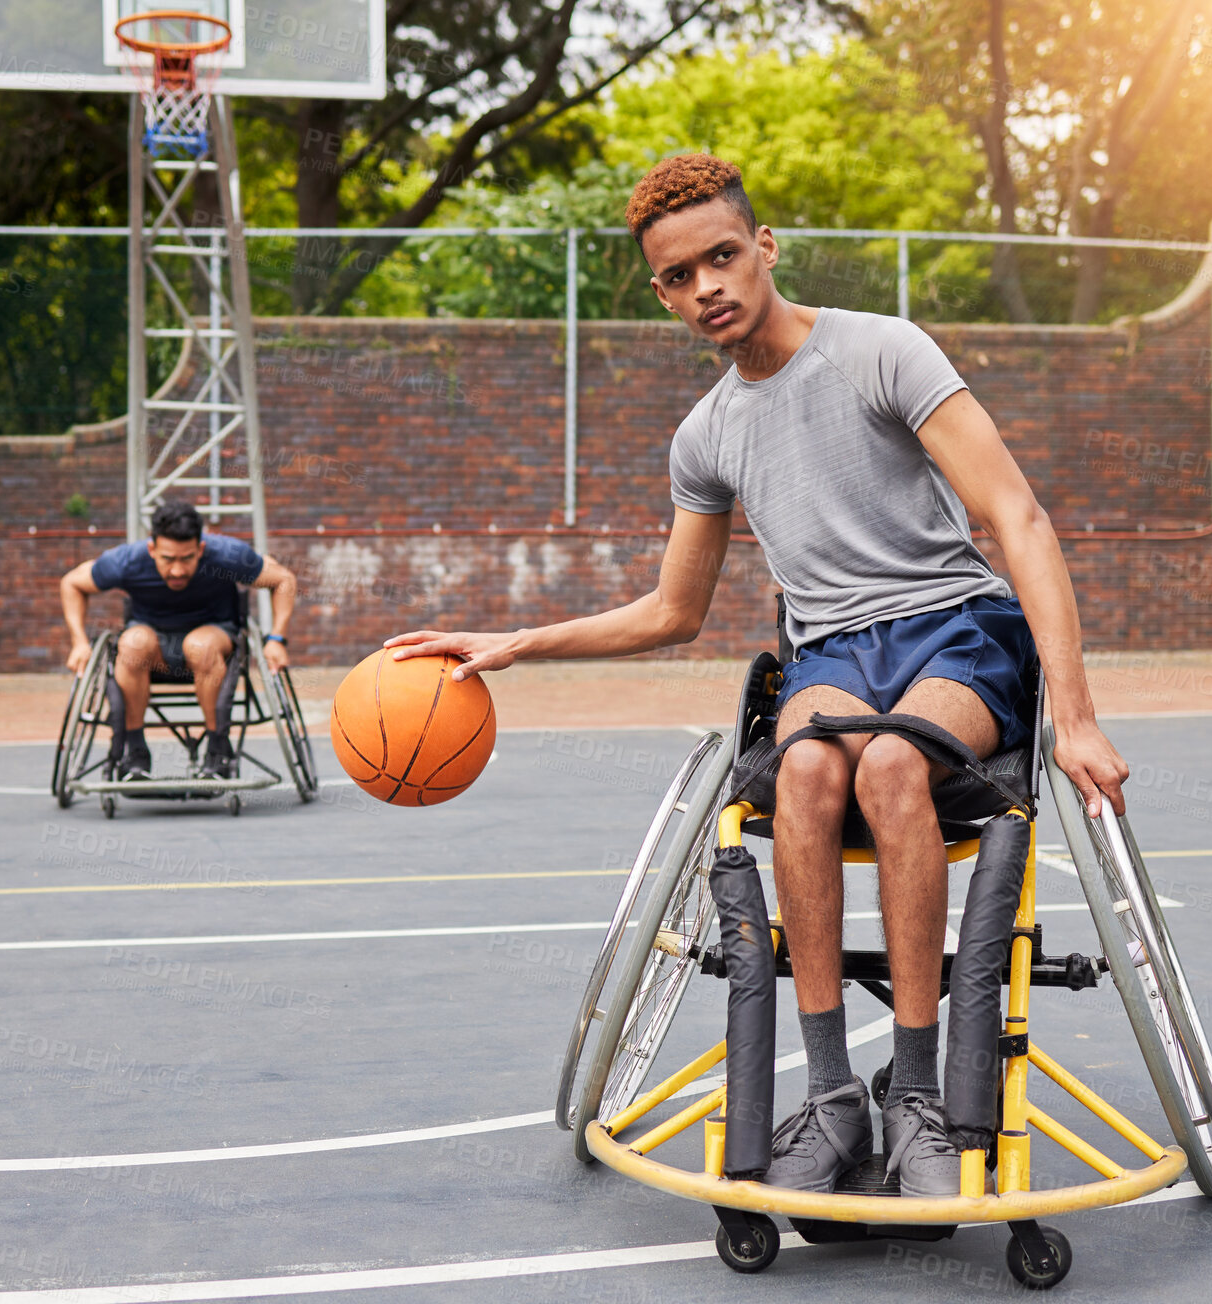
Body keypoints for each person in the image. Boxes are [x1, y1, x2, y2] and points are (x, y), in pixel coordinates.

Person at [386, 155, 1128, 1198]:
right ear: (660, 290)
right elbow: (670, 612)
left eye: (723, 258)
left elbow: (1019, 517)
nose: (708, 290)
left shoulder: (883, 351)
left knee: (891, 767)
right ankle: (831, 1095)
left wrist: (1079, 717)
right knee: (810, 770)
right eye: (681, 277)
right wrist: (513, 643)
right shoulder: (707, 436)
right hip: (830, 650)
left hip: (957, 629)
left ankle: (913, 1092)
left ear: (764, 246)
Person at [60, 500, 297, 780]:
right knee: (131, 642)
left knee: (199, 646)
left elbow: (283, 579)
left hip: (212, 640)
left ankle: (217, 748)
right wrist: (79, 642)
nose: (177, 570)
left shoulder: (226, 555)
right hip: (153, 649)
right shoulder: (128, 561)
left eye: (186, 559)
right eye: (168, 559)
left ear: (201, 549)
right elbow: (72, 583)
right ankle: (134, 751)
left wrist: (277, 638)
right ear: (152, 549)